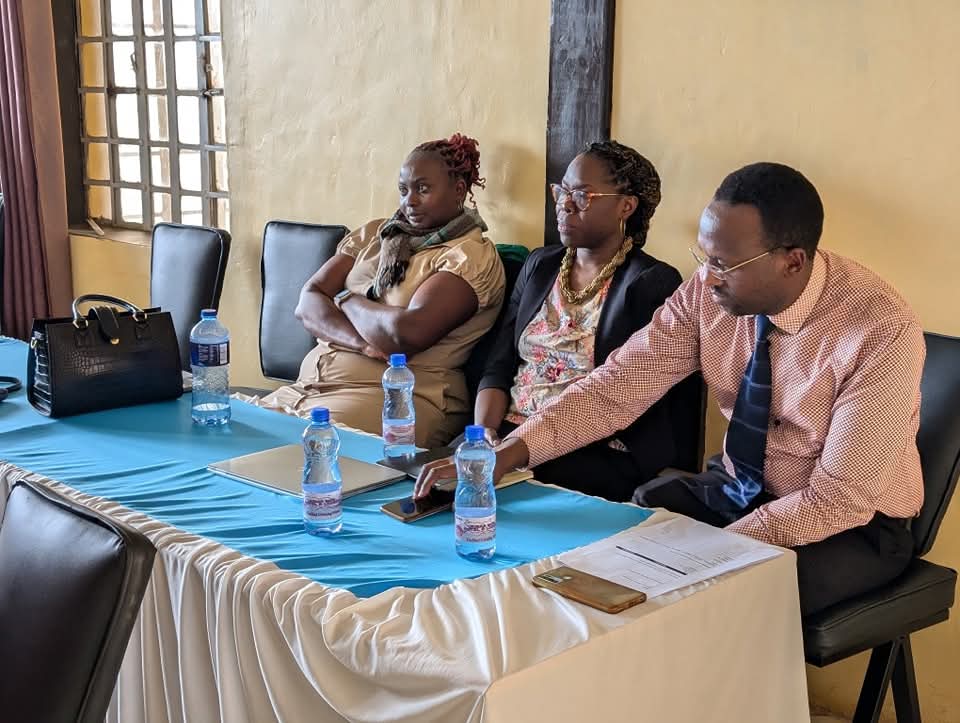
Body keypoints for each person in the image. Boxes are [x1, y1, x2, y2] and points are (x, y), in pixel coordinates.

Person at [417, 162, 922, 617]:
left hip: (852, 524)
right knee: (632, 527)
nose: (708, 278)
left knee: (725, 596)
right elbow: (615, 387)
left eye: (724, 265)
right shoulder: (707, 291)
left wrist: (710, 553)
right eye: (704, 256)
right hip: (741, 488)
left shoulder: (880, 327)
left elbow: (838, 498)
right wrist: (506, 455)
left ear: (792, 262)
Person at [257, 134, 505, 447]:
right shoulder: (378, 234)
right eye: (404, 190)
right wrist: (362, 344)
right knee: (236, 441)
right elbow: (308, 301)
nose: (409, 201)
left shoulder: (467, 256)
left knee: (302, 450)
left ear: (458, 190)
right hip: (310, 387)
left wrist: (344, 298)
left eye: (423, 189)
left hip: (397, 400)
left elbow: (404, 334)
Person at [473, 141, 682, 501]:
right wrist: (483, 435)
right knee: (435, 487)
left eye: (583, 196)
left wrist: (516, 451)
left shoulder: (651, 282)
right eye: (562, 191)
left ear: (626, 206)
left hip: (594, 447)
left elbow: (625, 392)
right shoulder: (540, 265)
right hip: (507, 434)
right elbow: (500, 363)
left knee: (499, 506)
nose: (565, 204)